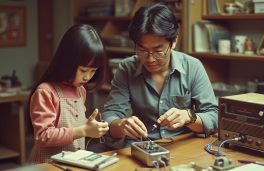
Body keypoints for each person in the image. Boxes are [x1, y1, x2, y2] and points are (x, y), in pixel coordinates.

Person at [102, 3, 218, 148]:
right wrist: (121, 125)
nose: (150, 59)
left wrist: (189, 117)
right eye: (142, 50)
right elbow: (110, 115)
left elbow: (214, 116)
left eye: (158, 51)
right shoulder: (127, 68)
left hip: (182, 145)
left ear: (174, 41)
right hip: (141, 145)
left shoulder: (192, 67)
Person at [28, 24, 109, 163]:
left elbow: (74, 124)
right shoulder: (45, 92)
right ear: (67, 62)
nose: (87, 77)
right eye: (83, 70)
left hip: (74, 163)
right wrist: (83, 130)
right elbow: (43, 136)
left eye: (93, 71)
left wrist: (92, 126)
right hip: (48, 165)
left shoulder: (80, 90)